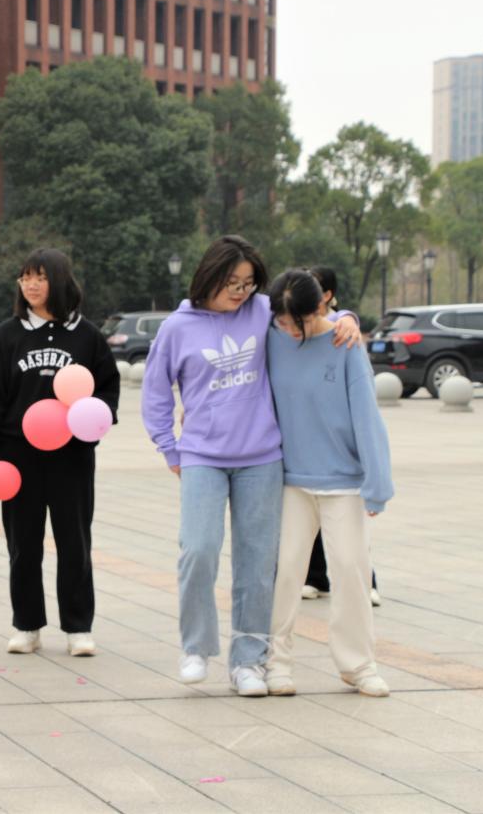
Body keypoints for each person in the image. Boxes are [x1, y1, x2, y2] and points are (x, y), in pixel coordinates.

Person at [140, 236, 361, 697]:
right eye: (232, 283)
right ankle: (196, 647)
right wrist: (169, 448)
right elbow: (156, 392)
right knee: (198, 549)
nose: (241, 292)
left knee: (257, 563)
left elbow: (312, 314)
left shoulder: (262, 311)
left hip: (262, 457)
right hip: (202, 456)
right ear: (209, 277)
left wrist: (348, 319)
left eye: (248, 283)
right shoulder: (178, 327)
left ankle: (249, 660)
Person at [0, 248, 120, 657]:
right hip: (17, 457)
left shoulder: (86, 335)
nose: (31, 285)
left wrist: (95, 424)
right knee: (23, 545)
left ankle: (78, 627)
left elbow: (107, 388)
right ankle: (27, 624)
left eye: (40, 277)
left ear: (60, 280)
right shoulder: (8, 334)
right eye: (25, 277)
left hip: (72, 456)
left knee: (75, 543)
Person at [264, 270, 392, 697]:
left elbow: (367, 416)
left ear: (319, 308)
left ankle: (358, 665)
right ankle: (276, 662)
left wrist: (378, 484)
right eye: (282, 320)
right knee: (285, 573)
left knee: (351, 571)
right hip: (289, 481)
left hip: (344, 481)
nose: (289, 328)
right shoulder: (270, 337)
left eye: (297, 321)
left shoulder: (345, 343)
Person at [301, 266, 381, 606]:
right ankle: (315, 578)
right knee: (307, 523)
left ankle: (368, 581)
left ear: (328, 295)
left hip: (338, 446)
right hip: (303, 445)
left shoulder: (341, 330)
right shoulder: (291, 329)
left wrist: (348, 318)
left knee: (348, 528)